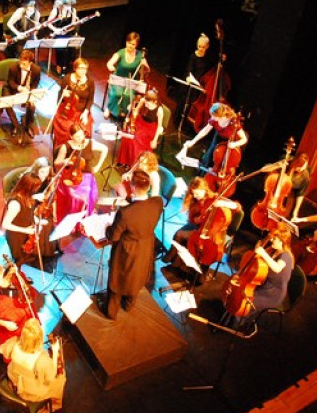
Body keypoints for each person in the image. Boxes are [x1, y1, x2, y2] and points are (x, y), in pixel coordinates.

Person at [105, 170, 163, 320]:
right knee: (136, 277)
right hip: (145, 248)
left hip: (127, 251)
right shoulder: (157, 203)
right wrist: (128, 197)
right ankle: (128, 305)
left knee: (119, 279)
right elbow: (141, 208)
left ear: (132, 187)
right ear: (148, 187)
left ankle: (111, 312)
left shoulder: (125, 213)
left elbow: (114, 236)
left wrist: (107, 227)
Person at [164, 177, 239, 281]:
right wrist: (197, 219)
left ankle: (197, 273)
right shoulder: (194, 200)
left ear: (205, 190)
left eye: (197, 193)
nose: (195, 196)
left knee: (187, 238)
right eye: (193, 193)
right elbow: (191, 219)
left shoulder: (215, 198)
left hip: (214, 231)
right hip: (200, 226)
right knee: (179, 234)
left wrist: (224, 203)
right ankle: (176, 264)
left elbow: (237, 206)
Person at [0, 318, 66, 413]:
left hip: (14, 381)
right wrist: (55, 353)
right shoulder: (41, 360)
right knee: (61, 379)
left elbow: (1, 350)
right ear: (39, 342)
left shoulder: (14, 343)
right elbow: (50, 378)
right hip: (29, 393)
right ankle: (55, 406)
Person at [2, 172, 57, 268]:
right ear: (28, 187)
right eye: (36, 187)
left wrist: (37, 221)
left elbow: (28, 214)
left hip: (27, 233)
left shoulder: (28, 197)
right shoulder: (15, 203)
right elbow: (5, 224)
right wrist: (26, 230)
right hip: (17, 237)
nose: (37, 189)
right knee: (24, 260)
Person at [54, 123, 102, 222]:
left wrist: (98, 166)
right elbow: (56, 163)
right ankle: (75, 216)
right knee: (76, 196)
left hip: (87, 174)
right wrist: (64, 161)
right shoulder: (66, 147)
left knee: (89, 194)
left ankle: (86, 215)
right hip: (71, 176)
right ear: (71, 136)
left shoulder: (90, 143)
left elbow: (105, 149)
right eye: (77, 136)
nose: (80, 138)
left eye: (81, 135)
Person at [180, 102, 248, 169]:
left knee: (222, 162)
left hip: (230, 141)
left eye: (214, 116)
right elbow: (205, 131)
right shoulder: (214, 119)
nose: (212, 117)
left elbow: (244, 139)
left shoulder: (233, 122)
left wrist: (235, 144)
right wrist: (193, 141)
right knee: (209, 156)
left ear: (221, 116)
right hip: (218, 137)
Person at [115, 88, 165, 168]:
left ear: (155, 102)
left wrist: (155, 140)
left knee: (135, 139)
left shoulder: (159, 110)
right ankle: (123, 161)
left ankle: (133, 164)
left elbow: (159, 126)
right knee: (127, 135)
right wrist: (132, 112)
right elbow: (137, 111)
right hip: (140, 122)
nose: (146, 105)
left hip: (150, 128)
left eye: (148, 104)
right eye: (146, 103)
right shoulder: (143, 100)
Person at [51, 58, 94, 150]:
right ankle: (64, 150)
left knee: (83, 129)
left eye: (85, 69)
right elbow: (60, 96)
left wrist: (85, 113)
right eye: (81, 68)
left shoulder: (90, 82)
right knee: (67, 129)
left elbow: (90, 100)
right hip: (67, 110)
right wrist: (63, 95)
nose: (83, 71)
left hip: (82, 112)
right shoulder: (67, 78)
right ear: (75, 68)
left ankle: (79, 151)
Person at [105, 32, 149, 120]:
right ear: (126, 42)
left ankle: (124, 112)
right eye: (128, 43)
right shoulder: (121, 52)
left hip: (131, 82)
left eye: (133, 44)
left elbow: (146, 71)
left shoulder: (140, 56)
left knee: (128, 96)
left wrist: (145, 65)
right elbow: (109, 63)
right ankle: (110, 109)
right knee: (117, 93)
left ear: (136, 45)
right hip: (118, 80)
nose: (130, 46)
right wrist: (111, 67)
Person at [3, 49, 41, 146]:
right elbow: (10, 82)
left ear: (30, 63)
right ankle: (16, 125)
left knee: (32, 107)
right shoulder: (13, 68)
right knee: (7, 103)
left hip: (27, 90)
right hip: (12, 88)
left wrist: (30, 92)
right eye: (20, 62)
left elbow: (35, 83)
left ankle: (27, 126)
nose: (21, 65)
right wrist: (20, 88)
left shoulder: (36, 70)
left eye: (24, 64)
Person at [44, 0, 79, 74]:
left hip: (68, 33)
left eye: (70, 5)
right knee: (61, 49)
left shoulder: (73, 10)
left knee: (70, 49)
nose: (69, 7)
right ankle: (59, 65)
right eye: (67, 5)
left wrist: (67, 30)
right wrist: (56, 30)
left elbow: (73, 25)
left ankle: (67, 65)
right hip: (58, 33)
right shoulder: (56, 10)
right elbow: (48, 23)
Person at [286, 153, 312, 220]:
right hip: (277, 190)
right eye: (300, 166)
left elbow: (301, 193)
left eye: (304, 166)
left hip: (290, 194)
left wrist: (296, 211)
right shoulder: (286, 163)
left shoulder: (305, 176)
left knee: (285, 214)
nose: (301, 169)